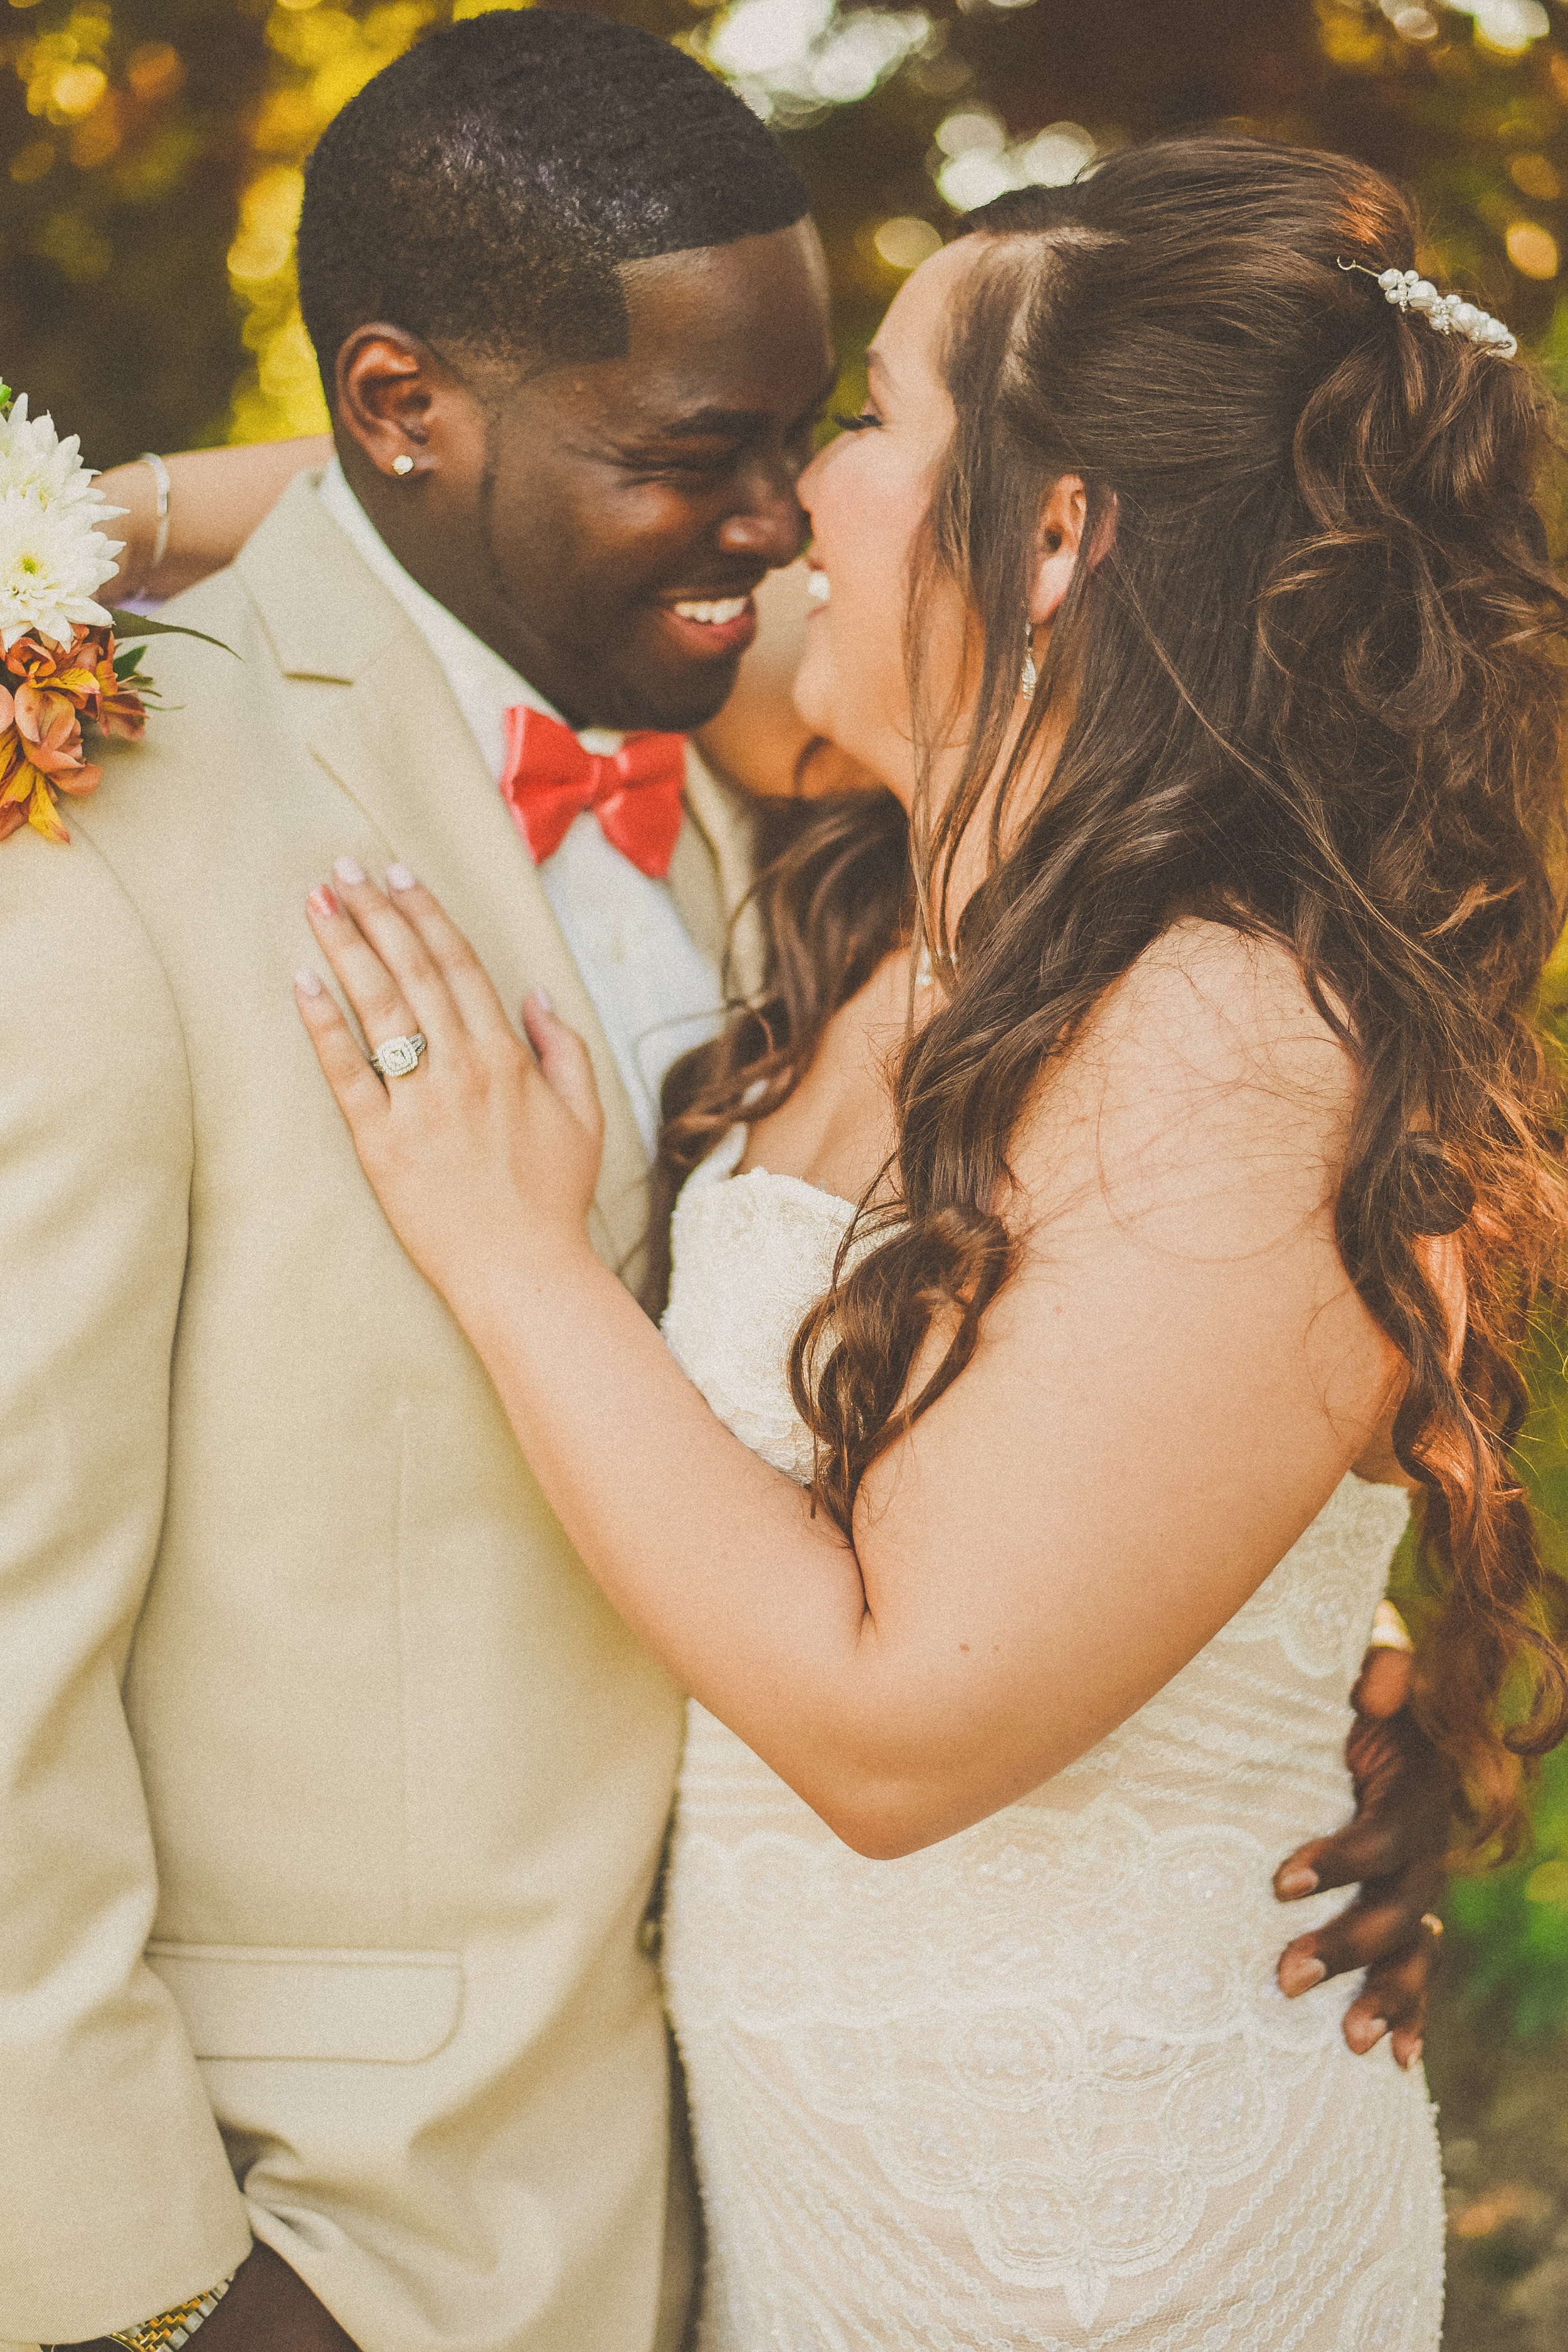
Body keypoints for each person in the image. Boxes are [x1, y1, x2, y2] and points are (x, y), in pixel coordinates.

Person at [0, 11, 1446, 2348]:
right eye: (720, 448)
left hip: (879, 2196)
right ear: (406, 413)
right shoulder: (99, 824)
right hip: (354, 2242)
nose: (782, 519)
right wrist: (124, 2283)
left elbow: (1015, 1465)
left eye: (833, 433)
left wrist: (1274, 1722)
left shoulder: (833, 798)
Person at [292, 136, 1568, 2349]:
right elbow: (458, 500)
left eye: (870, 418)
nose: (785, 496)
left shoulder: (1236, 1036)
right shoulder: (916, 845)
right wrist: (67, 552)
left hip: (1087, 2233)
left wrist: (510, 1256)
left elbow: (901, 1728)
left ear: (1056, 533)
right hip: (811, 2199)